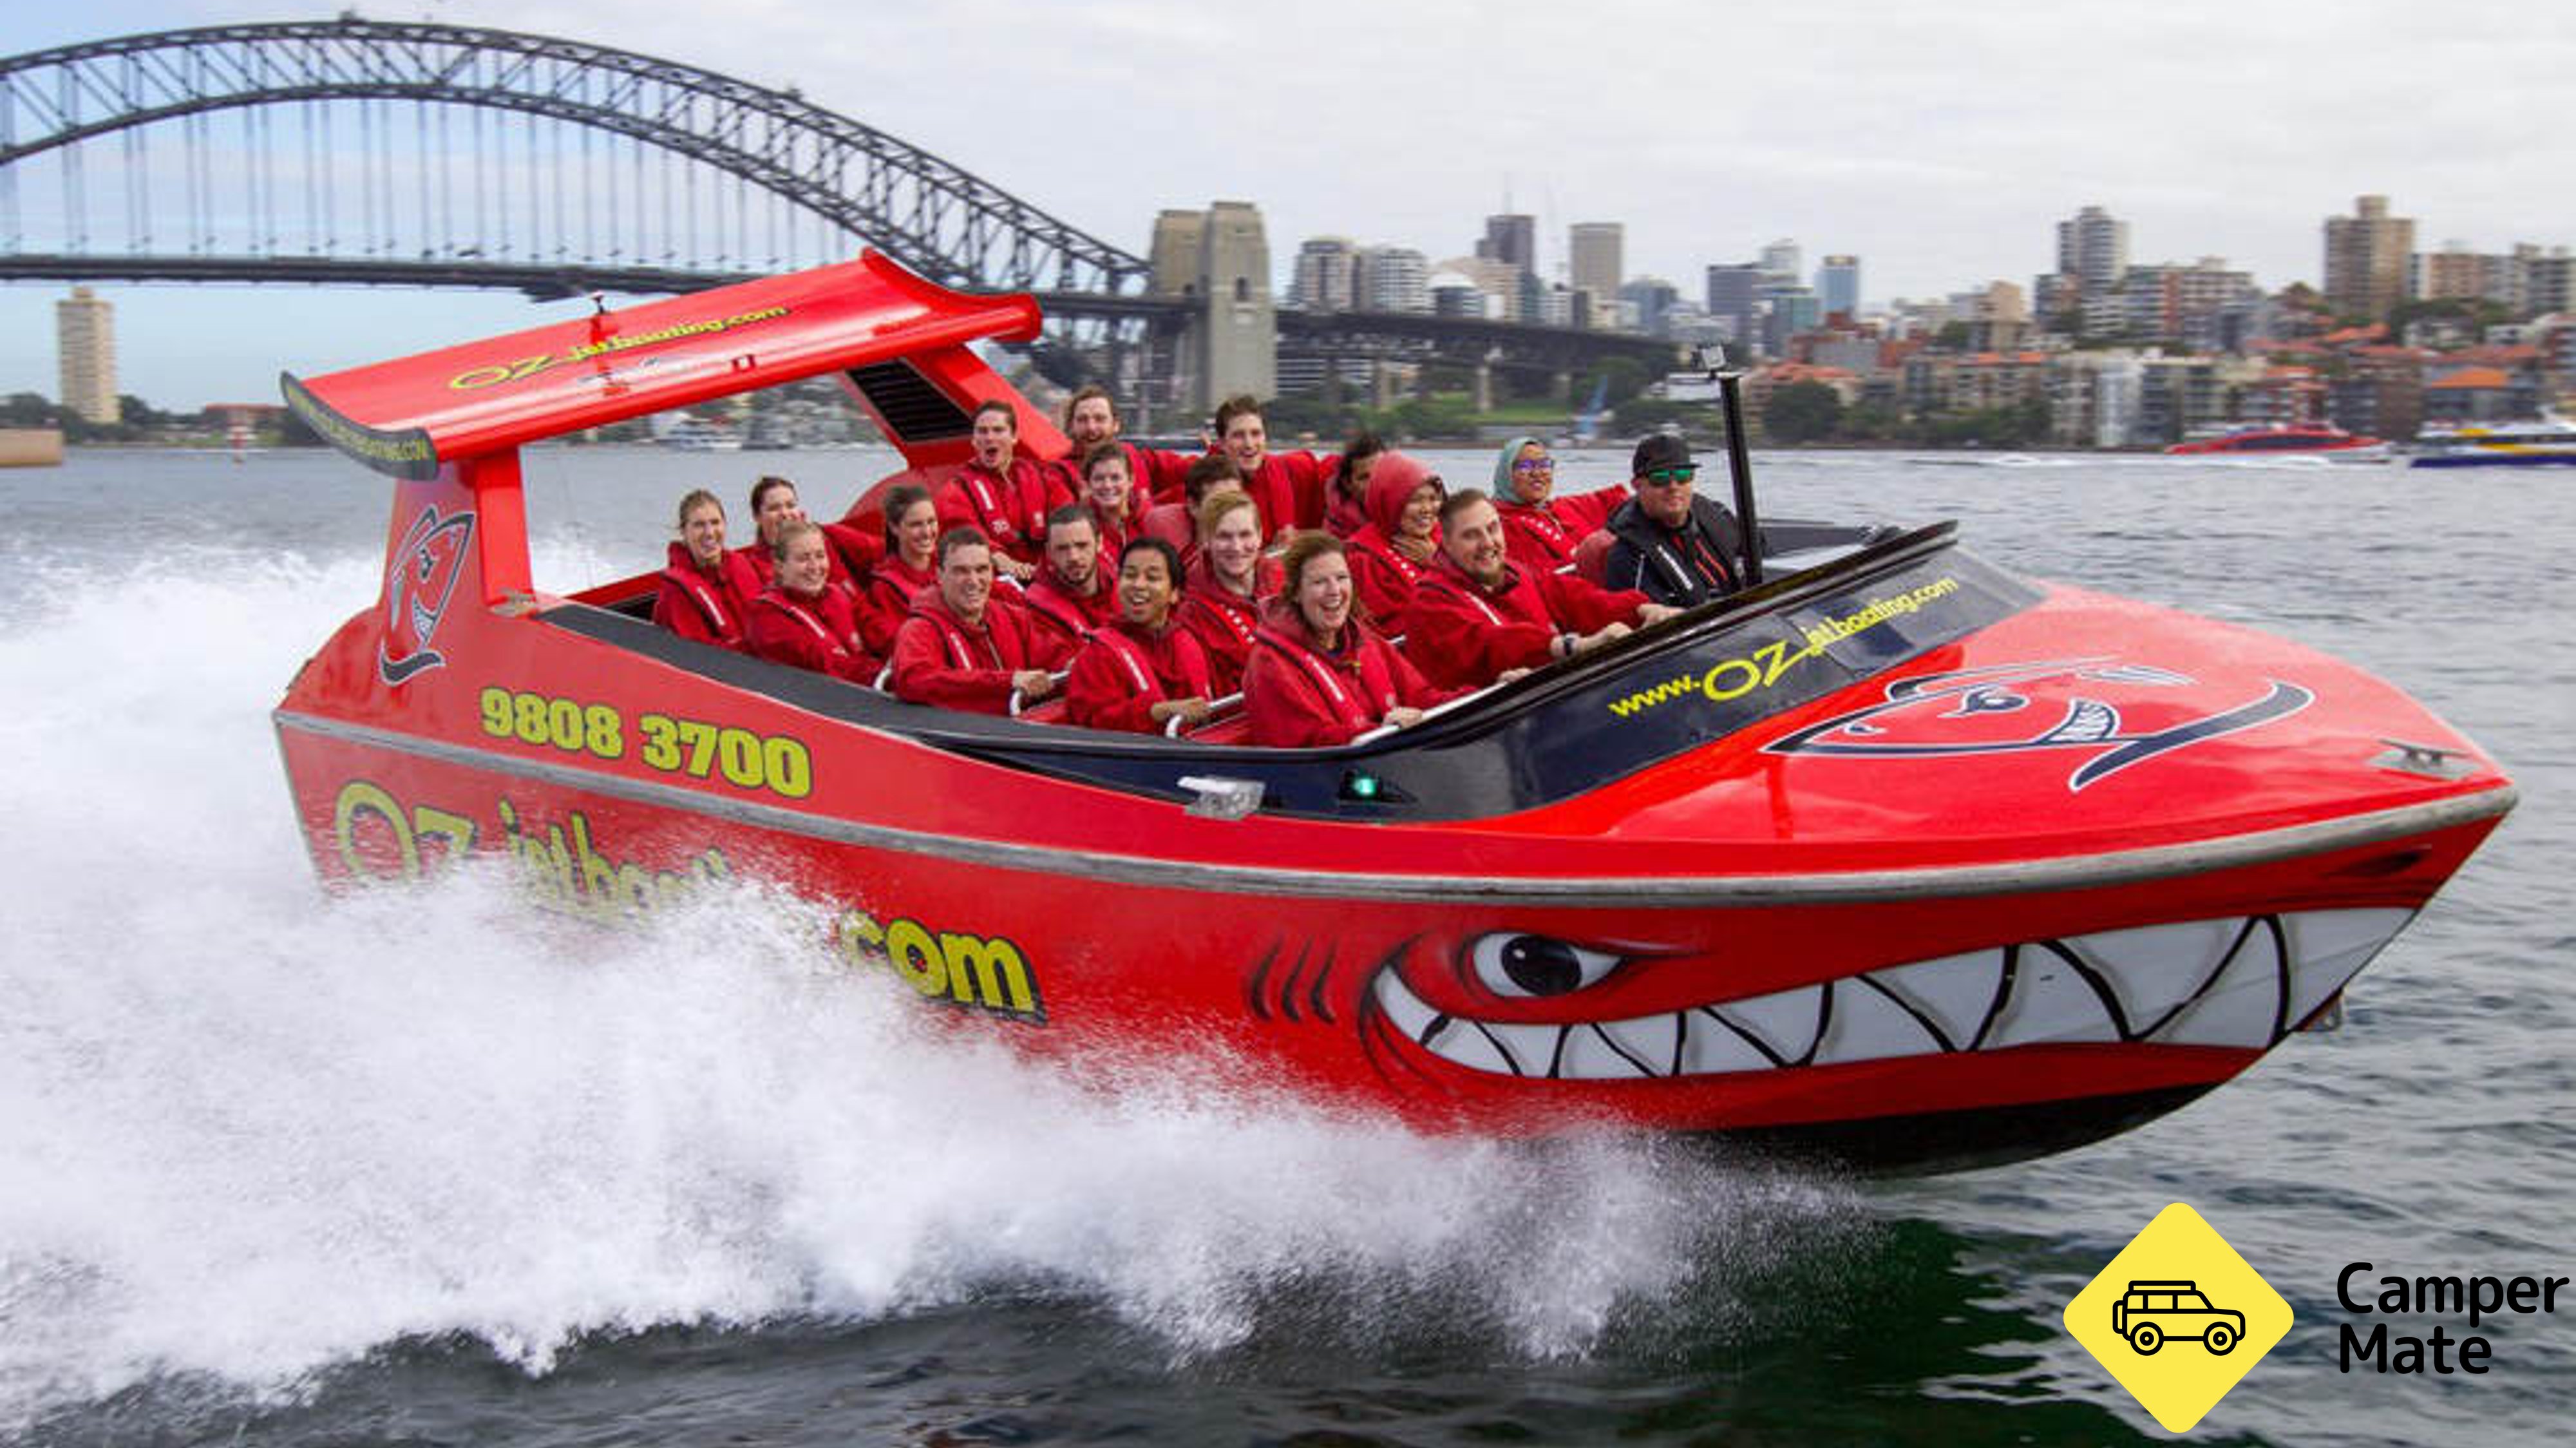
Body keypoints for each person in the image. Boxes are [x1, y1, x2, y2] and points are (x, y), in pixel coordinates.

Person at [1401, 490, 1679, 690]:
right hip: (1479, 728)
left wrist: (1641, 609)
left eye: (1492, 529)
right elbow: (1490, 644)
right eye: (1471, 535)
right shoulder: (1430, 601)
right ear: (1446, 544)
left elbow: (1575, 597)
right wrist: (1573, 646)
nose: (1488, 543)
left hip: (1547, 694)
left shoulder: (1517, 571)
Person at [1245, 532, 1461, 748]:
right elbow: (1311, 742)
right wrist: (1380, 732)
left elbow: (1420, 696)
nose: (1334, 591)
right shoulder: (1269, 662)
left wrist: (1473, 699)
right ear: (1296, 593)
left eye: (1341, 578)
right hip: (1339, 766)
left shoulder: (1363, 638)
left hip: (1387, 757)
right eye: (1319, 582)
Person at [889, 528, 1058, 716]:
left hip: (1021, 726)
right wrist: (1008, 682)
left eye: (982, 570)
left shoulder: (1015, 618)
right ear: (939, 576)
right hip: (959, 732)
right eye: (961, 571)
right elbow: (915, 680)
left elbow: (1057, 656)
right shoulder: (919, 630)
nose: (974, 581)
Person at [1065, 538, 1217, 734]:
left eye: (1152, 578)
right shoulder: (1098, 654)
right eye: (1130, 575)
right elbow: (1091, 725)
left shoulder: (1187, 640)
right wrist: (1157, 712)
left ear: (1174, 594)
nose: (1138, 585)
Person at [1601, 434, 1747, 607]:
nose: (1673, 487)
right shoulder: (1627, 557)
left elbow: (1761, 553)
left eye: (1683, 476)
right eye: (1660, 478)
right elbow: (1647, 617)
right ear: (1637, 485)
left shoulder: (1718, 514)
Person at [934, 400, 1068, 580]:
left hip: (1052, 575)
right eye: (982, 431)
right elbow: (963, 535)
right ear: (974, 440)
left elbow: (1068, 518)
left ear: (1014, 437)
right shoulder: (956, 492)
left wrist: (1048, 566)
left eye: (998, 430)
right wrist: (1005, 562)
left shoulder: (1045, 478)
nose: (990, 438)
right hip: (994, 583)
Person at [1175, 488, 1281, 696]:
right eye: (1224, 537)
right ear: (1206, 540)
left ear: (1260, 536)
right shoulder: (1191, 614)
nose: (1237, 547)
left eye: (1245, 535)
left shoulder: (1286, 581)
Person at [746, 520, 877, 683]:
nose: (815, 566)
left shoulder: (836, 595)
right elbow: (824, 664)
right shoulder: (768, 618)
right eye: (803, 559)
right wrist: (883, 676)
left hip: (868, 682)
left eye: (820, 556)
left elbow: (874, 627)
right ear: (780, 567)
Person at [1489, 435, 1625, 572]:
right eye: (1525, 466)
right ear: (1506, 473)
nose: (1537, 473)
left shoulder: (1562, 507)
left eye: (1544, 465)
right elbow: (1532, 577)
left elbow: (1613, 499)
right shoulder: (1499, 524)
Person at [651, 488, 763, 650]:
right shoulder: (675, 591)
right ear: (683, 531)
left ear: (725, 525)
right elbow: (700, 655)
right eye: (699, 525)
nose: (709, 533)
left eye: (715, 522)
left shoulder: (740, 564)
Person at [1343, 451, 1443, 624]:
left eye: (1433, 499)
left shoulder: (1446, 539)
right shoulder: (1363, 559)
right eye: (1415, 500)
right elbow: (1381, 627)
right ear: (1389, 502)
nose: (1427, 509)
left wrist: (1438, 563)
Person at [1049, 386, 1191, 505]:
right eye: (1082, 420)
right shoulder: (1059, 474)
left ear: (1116, 425)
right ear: (1071, 427)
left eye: (1100, 419)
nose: (1091, 427)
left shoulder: (1139, 458)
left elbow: (1193, 471)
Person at [1212, 394, 1327, 540]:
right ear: (1222, 443)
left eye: (1256, 434)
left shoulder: (1294, 468)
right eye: (1238, 435)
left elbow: (1338, 470)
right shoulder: (1206, 483)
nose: (1249, 444)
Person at [1020, 505, 1121, 669]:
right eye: (1062, 548)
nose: (1073, 557)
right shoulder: (1035, 610)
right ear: (1048, 552)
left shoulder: (1125, 585)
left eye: (1082, 546)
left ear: (1099, 543)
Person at [737, 475, 872, 593]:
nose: (785, 513)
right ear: (757, 516)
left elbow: (878, 551)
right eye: (774, 508)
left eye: (791, 506)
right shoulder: (752, 567)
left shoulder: (829, 535)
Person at [859, 482, 940, 660]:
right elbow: (905, 646)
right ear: (894, 528)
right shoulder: (885, 588)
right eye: (916, 525)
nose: (927, 532)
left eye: (931, 521)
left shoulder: (951, 565)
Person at [1139, 452, 1245, 568]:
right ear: (1193, 506)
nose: (1230, 509)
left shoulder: (1251, 549)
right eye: (1218, 502)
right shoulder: (1169, 546)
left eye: (1236, 499)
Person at [1075, 441, 1146, 563]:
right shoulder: (1079, 528)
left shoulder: (1149, 520)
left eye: (1115, 478)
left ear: (1131, 480)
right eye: (1099, 479)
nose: (1107, 485)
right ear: (1088, 484)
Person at [1321, 431, 1384, 539]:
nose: (1374, 483)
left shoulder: (1409, 509)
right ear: (1348, 484)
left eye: (1380, 473)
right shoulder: (1335, 525)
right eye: (1364, 478)